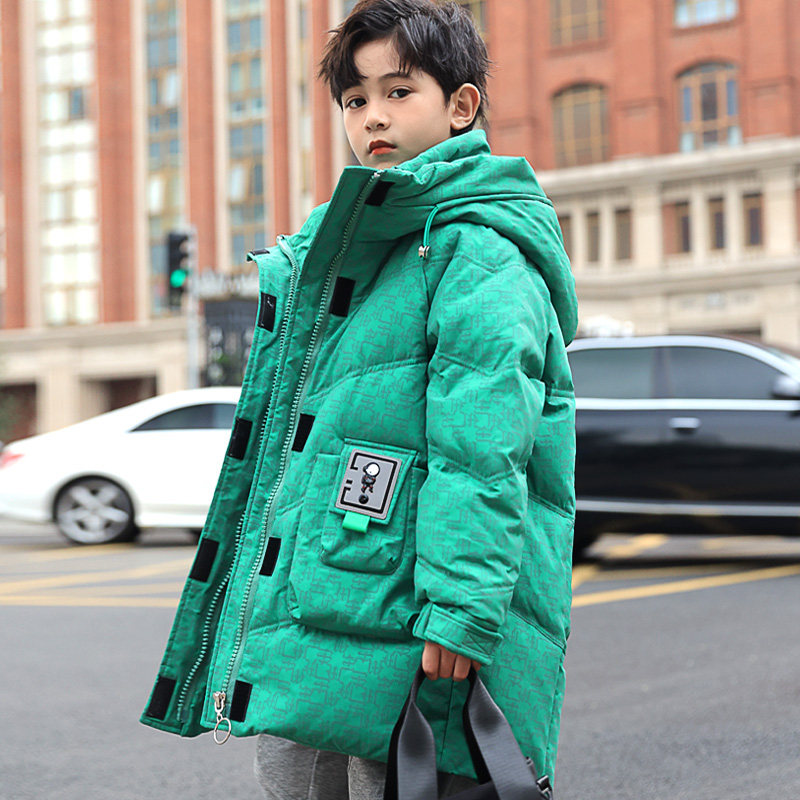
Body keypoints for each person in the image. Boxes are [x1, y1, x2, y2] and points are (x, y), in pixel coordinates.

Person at [140, 1, 578, 798]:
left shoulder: (476, 248)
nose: (373, 115)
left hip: (410, 609)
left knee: (397, 777)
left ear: (461, 106)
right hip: (328, 592)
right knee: (293, 771)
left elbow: (482, 449)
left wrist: (461, 608)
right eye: (354, 99)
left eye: (398, 91)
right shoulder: (355, 246)